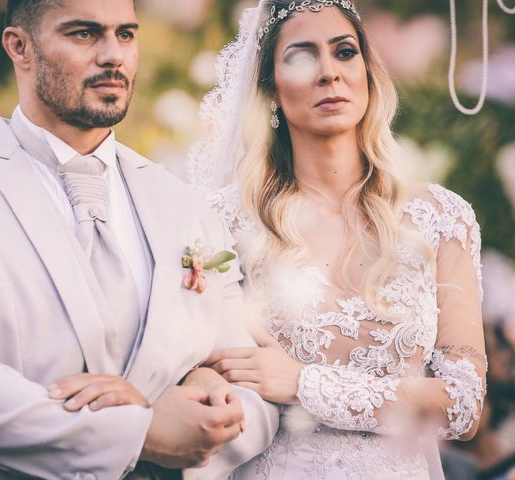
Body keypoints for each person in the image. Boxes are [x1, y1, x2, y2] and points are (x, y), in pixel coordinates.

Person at [0, 0, 279, 478]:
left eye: (126, 35)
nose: (114, 55)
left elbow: (252, 387)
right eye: (84, 34)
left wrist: (214, 420)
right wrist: (141, 433)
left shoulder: (186, 206)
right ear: (19, 47)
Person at [187, 1, 487, 479]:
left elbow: (464, 407)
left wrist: (306, 384)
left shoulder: (441, 218)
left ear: (368, 73)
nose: (328, 72)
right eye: (302, 57)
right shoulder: (220, 222)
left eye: (345, 52)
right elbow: (204, 368)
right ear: (269, 90)